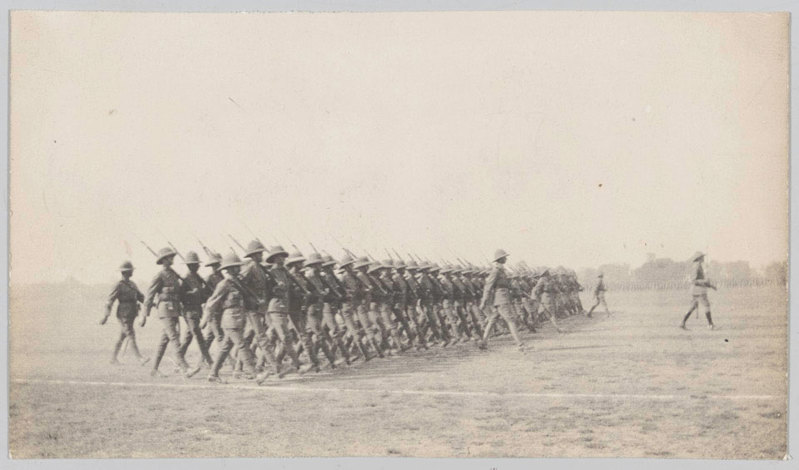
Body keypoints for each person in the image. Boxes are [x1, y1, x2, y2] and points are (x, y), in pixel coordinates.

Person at [203, 252, 271, 384]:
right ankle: (255, 374)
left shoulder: (239, 284)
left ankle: (213, 374)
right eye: (235, 267)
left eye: (238, 266)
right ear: (229, 269)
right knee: (242, 345)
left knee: (225, 347)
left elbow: (248, 299)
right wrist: (206, 319)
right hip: (230, 320)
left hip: (239, 320)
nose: (239, 268)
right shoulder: (224, 284)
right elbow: (212, 302)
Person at [142, 247, 200, 378]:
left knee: (165, 340)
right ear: (164, 260)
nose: (172, 258)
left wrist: (191, 293)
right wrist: (144, 315)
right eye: (169, 257)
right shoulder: (159, 276)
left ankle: (154, 369)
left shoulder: (173, 275)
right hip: (164, 310)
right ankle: (185, 368)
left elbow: (179, 293)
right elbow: (149, 295)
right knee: (174, 338)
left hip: (174, 310)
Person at [101, 261, 150, 366]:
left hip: (132, 313)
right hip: (123, 313)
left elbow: (140, 297)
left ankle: (113, 359)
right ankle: (140, 358)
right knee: (131, 334)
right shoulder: (118, 285)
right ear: (125, 272)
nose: (132, 272)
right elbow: (110, 300)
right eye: (130, 270)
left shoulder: (133, 284)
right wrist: (106, 316)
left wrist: (151, 303)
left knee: (122, 336)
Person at [479, 249, 525, 350]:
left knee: (492, 321)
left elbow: (506, 285)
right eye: (505, 257)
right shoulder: (495, 271)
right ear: (500, 259)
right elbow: (488, 287)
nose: (506, 258)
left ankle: (483, 342)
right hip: (501, 300)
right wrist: (484, 301)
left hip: (502, 299)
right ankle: (520, 344)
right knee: (511, 320)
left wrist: (515, 290)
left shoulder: (501, 271)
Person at [178, 251, 214, 367]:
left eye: (197, 264)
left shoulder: (198, 278)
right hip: (188, 310)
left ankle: (179, 357)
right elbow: (180, 296)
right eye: (195, 264)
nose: (198, 266)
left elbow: (202, 295)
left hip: (197, 310)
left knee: (188, 337)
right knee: (198, 334)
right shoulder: (184, 279)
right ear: (190, 265)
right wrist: (191, 293)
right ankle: (209, 360)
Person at [680, 252, 717, 330]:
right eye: (702, 257)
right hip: (699, 291)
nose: (703, 258)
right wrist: (705, 281)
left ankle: (682, 323)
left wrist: (711, 286)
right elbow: (694, 280)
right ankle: (710, 324)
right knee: (707, 305)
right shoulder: (697, 266)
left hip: (695, 290)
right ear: (699, 258)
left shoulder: (698, 266)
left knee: (692, 307)